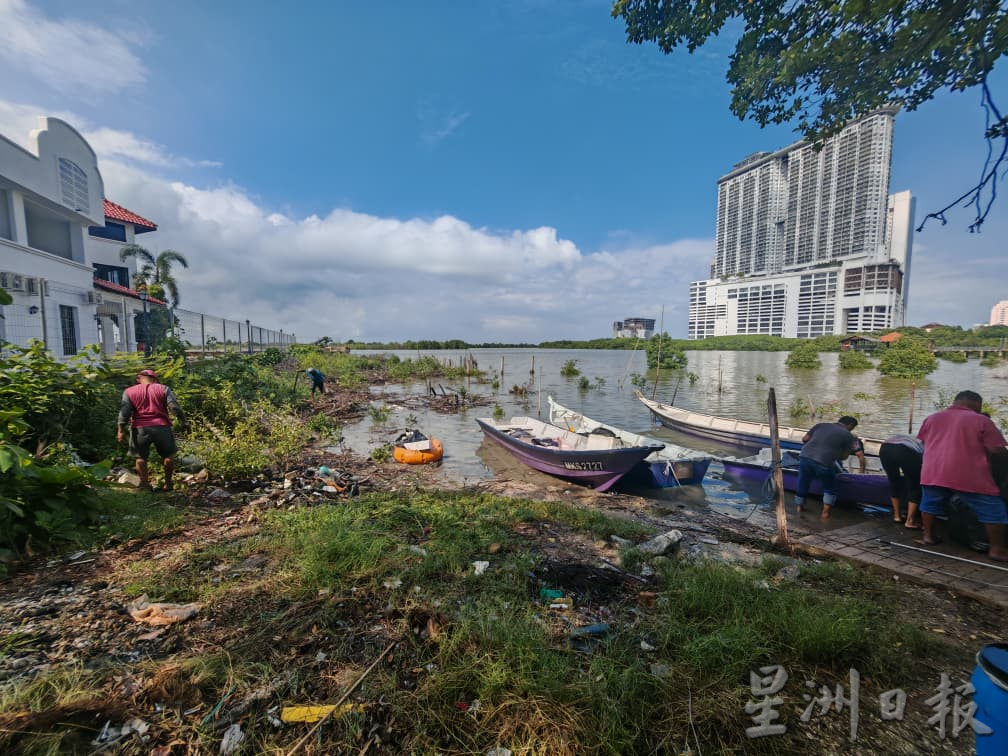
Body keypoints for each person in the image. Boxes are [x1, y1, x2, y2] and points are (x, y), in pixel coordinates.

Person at [917, 390, 1008, 562]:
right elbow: (996, 449)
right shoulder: (981, 420)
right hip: (968, 473)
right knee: (993, 508)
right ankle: (997, 550)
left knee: (930, 502)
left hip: (933, 470)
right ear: (976, 404)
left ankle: (928, 536)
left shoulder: (932, 418)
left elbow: (924, 442)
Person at [117, 369, 186, 492]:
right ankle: (168, 484)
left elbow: (124, 412)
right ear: (154, 379)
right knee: (168, 456)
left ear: (139, 379)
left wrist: (120, 430)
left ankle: (145, 484)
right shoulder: (163, 389)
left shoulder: (129, 391)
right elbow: (174, 407)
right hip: (162, 427)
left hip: (140, 428)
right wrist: (184, 421)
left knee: (140, 457)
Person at [794, 416, 860, 520]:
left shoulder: (820, 425)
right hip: (824, 462)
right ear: (850, 425)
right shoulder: (848, 436)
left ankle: (799, 508)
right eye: (853, 428)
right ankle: (825, 514)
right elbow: (845, 456)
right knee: (829, 487)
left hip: (805, 457)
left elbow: (804, 439)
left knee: (803, 481)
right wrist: (834, 453)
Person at [879, 434, 924, 528]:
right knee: (914, 483)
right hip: (904, 450)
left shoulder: (912, 438)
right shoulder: (924, 445)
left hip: (885, 448)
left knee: (893, 480)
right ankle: (910, 521)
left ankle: (897, 516)